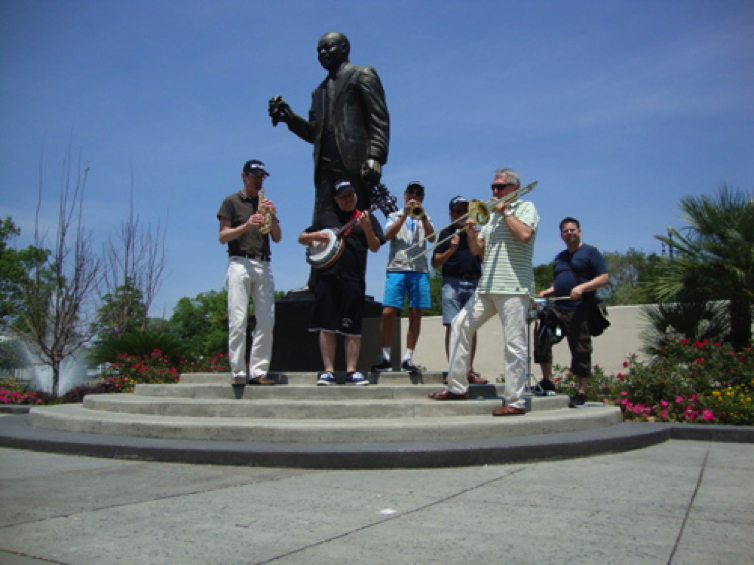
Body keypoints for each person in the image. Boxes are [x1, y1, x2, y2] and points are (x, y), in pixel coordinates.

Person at [269, 31, 390, 292]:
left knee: (357, 224)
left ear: (345, 48)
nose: (322, 54)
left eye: (327, 48)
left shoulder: (363, 74)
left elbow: (379, 119)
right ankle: (317, 282)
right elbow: (314, 133)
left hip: (355, 162)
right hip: (325, 165)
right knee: (322, 223)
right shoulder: (319, 92)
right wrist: (289, 117)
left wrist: (375, 156)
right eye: (318, 50)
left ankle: (353, 281)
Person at [428, 169, 539, 417]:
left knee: (514, 344)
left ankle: (515, 401)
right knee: (458, 326)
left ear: (513, 188)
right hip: (487, 285)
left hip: (513, 286)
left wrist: (505, 212)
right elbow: (479, 251)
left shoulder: (525, 207)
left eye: (500, 187)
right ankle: (457, 388)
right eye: (493, 188)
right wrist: (471, 232)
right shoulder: (492, 218)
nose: (494, 192)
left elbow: (523, 235)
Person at [297, 180, 386, 386]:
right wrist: (316, 235)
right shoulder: (327, 218)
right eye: (344, 196)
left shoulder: (366, 217)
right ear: (336, 199)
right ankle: (328, 371)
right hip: (327, 278)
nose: (349, 199)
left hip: (353, 278)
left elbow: (375, 247)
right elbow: (301, 238)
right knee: (326, 326)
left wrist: (366, 228)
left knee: (352, 327)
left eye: (351, 194)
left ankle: (351, 371)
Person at [217, 160, 282, 386]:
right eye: (255, 175)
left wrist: (272, 216)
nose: (259, 179)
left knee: (266, 321)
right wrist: (247, 225)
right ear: (243, 176)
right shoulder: (231, 202)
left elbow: (277, 237)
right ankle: (238, 372)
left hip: (263, 263)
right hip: (239, 262)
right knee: (238, 319)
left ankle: (259, 371)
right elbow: (222, 236)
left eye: (262, 176)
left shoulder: (265, 203)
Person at [533, 217, 609, 408]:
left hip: (580, 310)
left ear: (579, 232)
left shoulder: (591, 253)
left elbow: (603, 278)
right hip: (558, 309)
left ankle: (581, 392)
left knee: (580, 350)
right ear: (561, 235)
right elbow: (559, 281)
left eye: (572, 230)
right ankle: (547, 381)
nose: (569, 233)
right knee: (543, 339)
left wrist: (582, 288)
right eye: (566, 231)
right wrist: (549, 291)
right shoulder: (560, 257)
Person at [370, 182, 435, 374]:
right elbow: (387, 235)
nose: (414, 196)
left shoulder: (427, 217)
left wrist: (422, 217)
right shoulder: (393, 216)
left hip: (419, 269)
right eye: (411, 193)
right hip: (397, 268)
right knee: (388, 312)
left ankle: (408, 358)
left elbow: (432, 238)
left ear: (422, 198)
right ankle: (386, 357)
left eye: (418, 194)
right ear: (405, 195)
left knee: (416, 312)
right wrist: (405, 215)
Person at [431, 196, 487, 385]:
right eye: (457, 211)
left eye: (465, 210)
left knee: (471, 327)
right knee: (452, 326)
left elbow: (483, 256)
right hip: (451, 283)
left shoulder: (476, 231)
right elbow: (435, 262)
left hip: (473, 281)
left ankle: (469, 371)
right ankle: (454, 370)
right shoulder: (446, 233)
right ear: (450, 214)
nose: (461, 214)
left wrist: (474, 236)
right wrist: (451, 250)